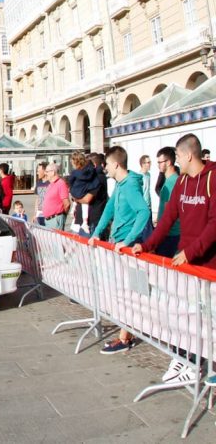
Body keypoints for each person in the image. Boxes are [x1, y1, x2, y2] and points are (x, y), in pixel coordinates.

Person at [132, 134, 216, 385]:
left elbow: (214, 224)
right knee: (190, 313)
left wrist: (192, 251)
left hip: (208, 263)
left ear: (188, 155)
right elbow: (167, 219)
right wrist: (146, 245)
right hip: (188, 263)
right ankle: (189, 359)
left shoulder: (212, 178)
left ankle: (206, 363)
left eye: (178, 156)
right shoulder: (181, 182)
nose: (176, 160)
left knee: (211, 315)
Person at [88, 146, 153, 355]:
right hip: (121, 245)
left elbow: (143, 212)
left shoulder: (130, 185)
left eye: (106, 164)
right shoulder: (120, 184)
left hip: (130, 249)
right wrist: (97, 232)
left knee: (133, 292)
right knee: (128, 292)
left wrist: (128, 239)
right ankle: (129, 332)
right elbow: (109, 209)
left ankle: (127, 336)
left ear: (116, 164)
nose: (104, 168)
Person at [153, 146, 181, 257]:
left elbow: (170, 211)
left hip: (171, 235)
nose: (158, 165)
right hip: (168, 233)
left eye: (160, 162)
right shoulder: (169, 181)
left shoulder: (173, 182)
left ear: (168, 162)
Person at [68, 151, 102, 236]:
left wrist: (75, 197)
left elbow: (87, 200)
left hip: (91, 218)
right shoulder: (89, 173)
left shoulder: (96, 176)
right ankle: (83, 220)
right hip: (80, 217)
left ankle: (84, 221)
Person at [40, 163, 70, 229]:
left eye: (47, 172)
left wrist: (61, 216)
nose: (45, 174)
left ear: (53, 172)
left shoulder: (60, 183)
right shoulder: (50, 184)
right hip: (49, 220)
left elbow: (67, 204)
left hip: (55, 220)